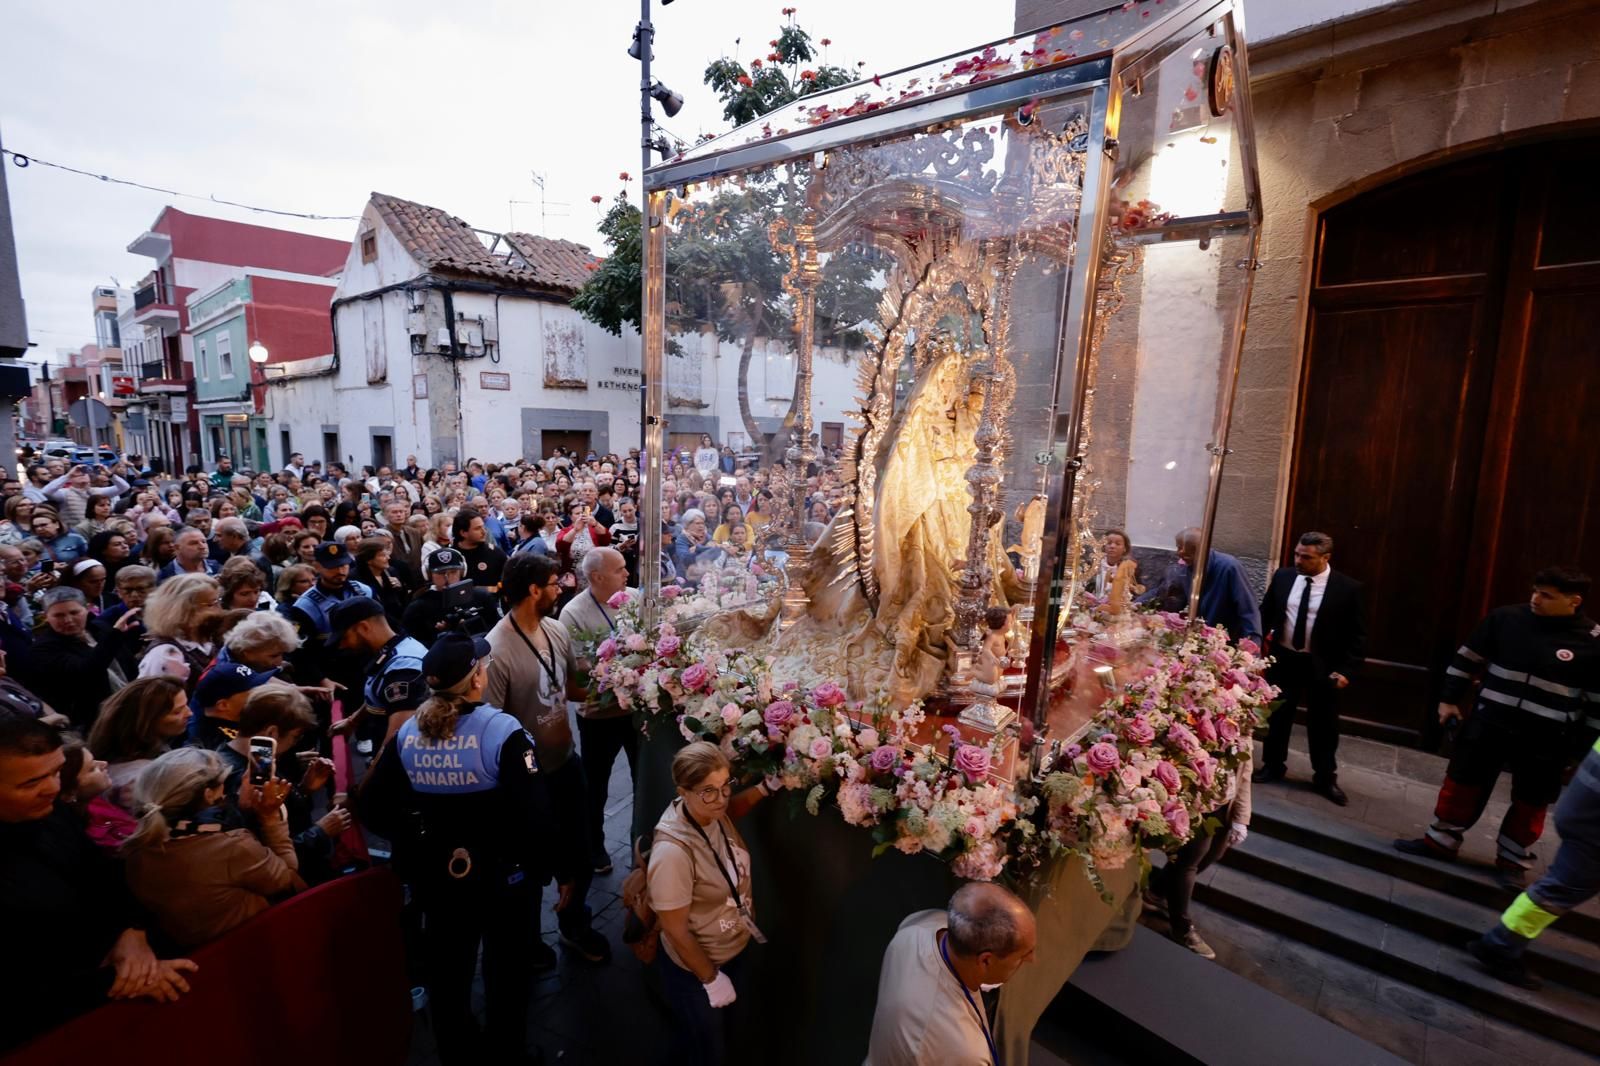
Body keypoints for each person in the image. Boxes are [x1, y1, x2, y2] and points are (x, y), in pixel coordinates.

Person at [359, 631, 575, 1066]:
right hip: (502, 878)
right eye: (484, 665)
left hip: (438, 879)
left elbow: (373, 807)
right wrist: (558, 868)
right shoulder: (501, 731)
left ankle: (457, 1051)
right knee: (505, 973)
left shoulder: (409, 734)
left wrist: (420, 839)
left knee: (448, 973)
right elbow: (535, 816)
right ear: (476, 679)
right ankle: (507, 1052)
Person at [0, 717, 198, 1052]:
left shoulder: (51, 809)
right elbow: (16, 992)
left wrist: (131, 931)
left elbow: (102, 873)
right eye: (31, 782)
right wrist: (123, 980)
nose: (52, 788)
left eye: (56, 772)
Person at [1396, 566, 1600, 888]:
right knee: (1462, 782)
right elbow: (1466, 659)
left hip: (1547, 738)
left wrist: (1580, 750)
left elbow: (1597, 704)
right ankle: (1440, 842)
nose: (1536, 599)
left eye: (1547, 596)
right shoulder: (1506, 619)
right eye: (1535, 591)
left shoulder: (1593, 642)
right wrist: (1448, 700)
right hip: (1490, 722)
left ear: (1574, 601)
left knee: (1532, 800)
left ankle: (1512, 858)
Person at [485, 552, 611, 963]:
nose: (562, 590)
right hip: (528, 781)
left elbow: (570, 688)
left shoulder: (555, 629)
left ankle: (575, 925)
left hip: (565, 762)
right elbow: (493, 729)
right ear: (534, 590)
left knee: (579, 855)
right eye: (555, 584)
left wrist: (620, 687)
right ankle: (528, 942)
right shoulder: (496, 650)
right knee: (532, 866)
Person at [648, 741, 772, 1064]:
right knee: (707, 1049)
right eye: (708, 791)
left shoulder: (708, 811)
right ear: (682, 791)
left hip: (732, 948)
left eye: (724, 786)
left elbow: (730, 811)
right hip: (698, 969)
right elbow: (676, 931)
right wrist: (711, 979)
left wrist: (767, 787)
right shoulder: (673, 854)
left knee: (723, 1036)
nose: (720, 799)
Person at [122, 747, 304, 950]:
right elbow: (286, 879)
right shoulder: (233, 846)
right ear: (209, 795)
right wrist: (270, 818)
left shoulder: (136, 849)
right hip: (254, 946)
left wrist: (237, 803)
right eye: (222, 783)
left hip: (196, 955)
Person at [1467, 732, 1600, 989]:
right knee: (1560, 889)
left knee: (1562, 886)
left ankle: (1501, 944)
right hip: (1593, 824)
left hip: (1582, 807)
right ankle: (1500, 945)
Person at [864, 882, 1038, 1066]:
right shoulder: (965, 1051)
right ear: (985, 960)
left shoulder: (918, 926)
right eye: (1023, 955)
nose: (1032, 959)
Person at [1252, 531, 1367, 806]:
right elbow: (1265, 612)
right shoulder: (1283, 577)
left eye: (1306, 557)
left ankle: (1325, 776)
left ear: (1325, 558)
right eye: (1297, 554)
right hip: (1284, 659)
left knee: (1323, 723)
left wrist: (1347, 671)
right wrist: (1254, 647)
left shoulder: (1348, 589)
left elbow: (1358, 635)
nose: (1299, 560)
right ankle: (1273, 764)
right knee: (1278, 715)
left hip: (1322, 666)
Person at [559, 547, 637, 874]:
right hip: (597, 717)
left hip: (636, 711)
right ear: (597, 577)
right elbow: (578, 674)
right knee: (596, 786)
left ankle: (642, 841)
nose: (627, 573)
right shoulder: (573, 614)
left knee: (643, 778)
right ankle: (594, 847)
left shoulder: (634, 598)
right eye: (620, 569)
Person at [30, 587, 138, 731]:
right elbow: (87, 671)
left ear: (87, 609)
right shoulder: (44, 648)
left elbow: (128, 664)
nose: (68, 620)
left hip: (129, 705)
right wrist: (115, 636)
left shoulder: (99, 629)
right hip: (91, 722)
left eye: (74, 613)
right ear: (46, 617)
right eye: (59, 615)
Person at [327, 596, 429, 747]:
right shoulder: (393, 648)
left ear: (364, 628)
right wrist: (353, 721)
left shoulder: (403, 670)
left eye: (344, 637)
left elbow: (397, 743)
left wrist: (374, 770)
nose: (342, 645)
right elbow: (379, 695)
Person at [87, 676, 191, 811]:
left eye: (186, 705)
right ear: (146, 722)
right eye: (177, 711)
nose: (189, 713)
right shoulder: (137, 780)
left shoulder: (154, 749)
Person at [1142, 527, 1261, 643]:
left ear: (1205, 548)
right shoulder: (1184, 567)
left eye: (1191, 549)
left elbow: (1248, 609)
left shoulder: (1229, 567)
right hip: (1197, 637)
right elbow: (1162, 591)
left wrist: (1252, 645)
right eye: (1179, 547)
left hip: (1225, 639)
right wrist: (1137, 604)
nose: (1181, 553)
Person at [137, 572, 223, 691]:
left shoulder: (211, 642)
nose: (219, 610)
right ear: (183, 610)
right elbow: (154, 704)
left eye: (218, 602)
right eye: (210, 605)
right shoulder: (165, 654)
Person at [57, 735, 139, 852]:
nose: (104, 764)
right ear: (69, 794)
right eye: (91, 768)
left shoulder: (94, 802)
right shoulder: (82, 842)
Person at [402, 548, 500, 646]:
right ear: (428, 574)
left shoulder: (481, 597)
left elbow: (496, 629)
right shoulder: (417, 608)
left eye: (453, 572)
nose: (447, 578)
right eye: (440, 573)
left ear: (462, 572)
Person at [189, 661, 282, 750]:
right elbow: (263, 762)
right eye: (253, 691)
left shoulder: (245, 714)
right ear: (223, 705)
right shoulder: (209, 744)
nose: (261, 692)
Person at [452, 506, 506, 590]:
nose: (484, 531)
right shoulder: (452, 557)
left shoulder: (495, 554)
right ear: (463, 533)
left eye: (483, 527)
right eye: (477, 528)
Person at [158, 528, 222, 581]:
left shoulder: (218, 568)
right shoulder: (165, 577)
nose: (202, 546)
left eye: (203, 541)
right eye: (194, 543)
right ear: (177, 548)